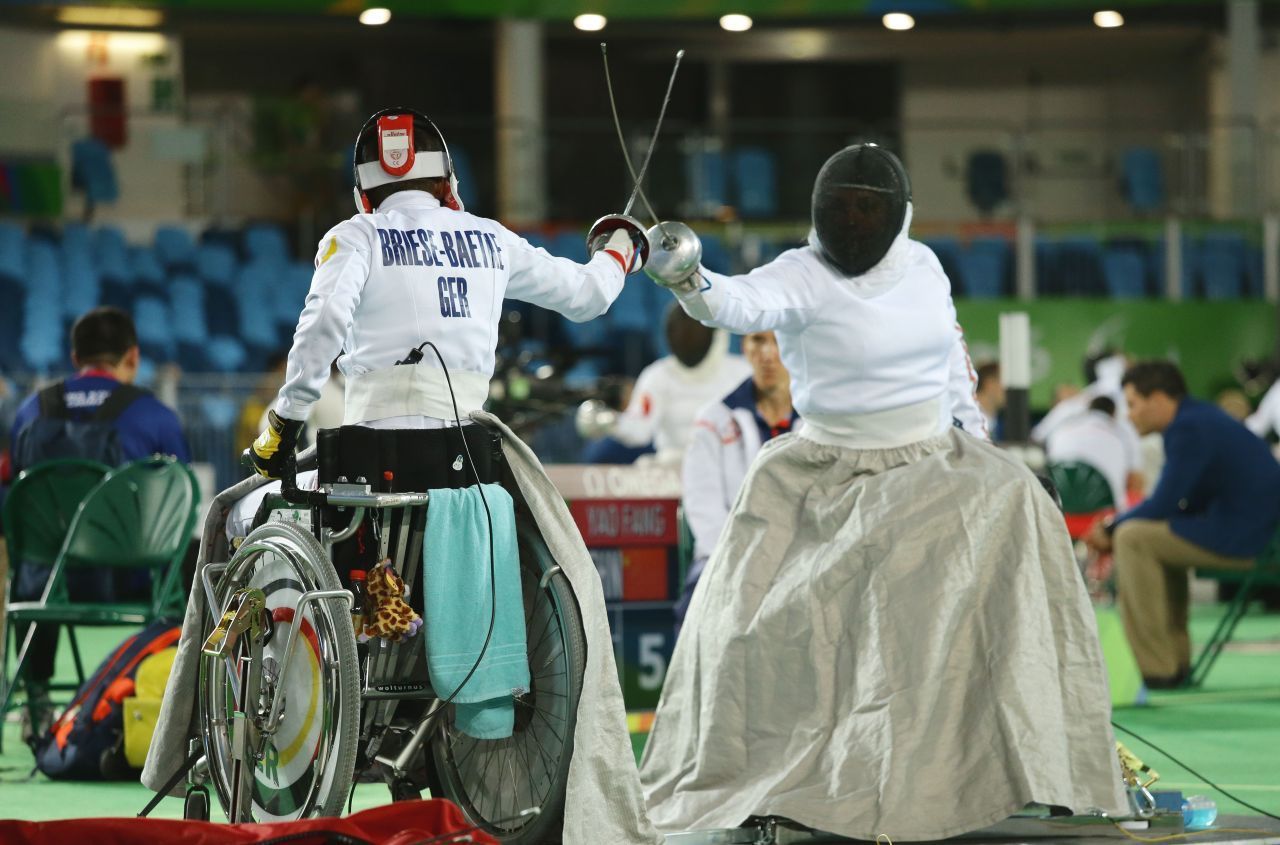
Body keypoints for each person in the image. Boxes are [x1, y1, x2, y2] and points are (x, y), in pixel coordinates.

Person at [144, 108, 661, 845]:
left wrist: (282, 424)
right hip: (470, 462)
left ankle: (202, 744)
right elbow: (588, 295)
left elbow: (321, 328)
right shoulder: (487, 236)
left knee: (230, 514)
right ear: (448, 182)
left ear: (363, 193)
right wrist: (621, 246)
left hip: (364, 461)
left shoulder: (352, 237)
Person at [638, 143, 1126, 840]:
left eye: (869, 208)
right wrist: (689, 277)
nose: (856, 222)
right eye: (844, 209)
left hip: (931, 461)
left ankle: (1041, 758)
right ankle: (778, 771)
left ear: (896, 214)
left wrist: (984, 449)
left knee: (1026, 512)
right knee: (746, 622)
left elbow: (953, 368)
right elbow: (740, 303)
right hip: (825, 471)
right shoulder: (800, 271)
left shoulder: (923, 266)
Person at [6, 306, 190, 743]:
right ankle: (174, 703)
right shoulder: (156, 417)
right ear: (132, 356)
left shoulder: (30, 411)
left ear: (75, 359)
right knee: (193, 557)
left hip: (44, 586)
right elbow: (180, 511)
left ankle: (36, 700)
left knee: (33, 564)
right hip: (134, 583)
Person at [1085, 360, 1280, 687]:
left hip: (1251, 541)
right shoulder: (1201, 419)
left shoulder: (1188, 427)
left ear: (1159, 399)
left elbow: (1163, 503)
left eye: (1133, 405)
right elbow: (1175, 505)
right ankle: (1171, 661)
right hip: (1257, 534)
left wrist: (1110, 528)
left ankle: (1157, 668)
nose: (1128, 416)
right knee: (1153, 535)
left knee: (1134, 537)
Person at [678, 330, 797, 624]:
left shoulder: (822, 419)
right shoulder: (714, 419)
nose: (768, 354)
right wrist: (749, 564)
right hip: (726, 558)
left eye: (779, 340)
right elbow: (704, 509)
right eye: (758, 340)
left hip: (802, 557)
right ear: (744, 346)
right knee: (698, 603)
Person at [582, 305, 751, 465]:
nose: (688, 338)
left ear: (718, 335)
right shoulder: (658, 376)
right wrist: (611, 422)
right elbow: (639, 430)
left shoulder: (743, 373)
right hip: (674, 467)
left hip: (730, 465)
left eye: (695, 333)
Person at [1045, 395, 1140, 511]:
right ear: (1113, 414)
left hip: (1061, 514)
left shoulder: (1059, 433)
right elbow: (1135, 482)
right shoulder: (1123, 437)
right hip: (1104, 518)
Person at [974, 360, 1005, 440]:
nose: (1008, 390)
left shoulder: (995, 421)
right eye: (1004, 383)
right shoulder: (969, 418)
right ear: (990, 383)